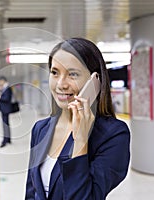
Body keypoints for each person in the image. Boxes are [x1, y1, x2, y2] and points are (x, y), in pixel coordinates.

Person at [25, 38, 130, 199]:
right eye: (54, 72)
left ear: (95, 82)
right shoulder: (40, 129)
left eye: (72, 74)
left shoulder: (113, 135)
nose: (61, 84)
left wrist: (80, 140)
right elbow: (31, 192)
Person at [0, 76, 13, 148]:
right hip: (5, 109)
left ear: (3, 81)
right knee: (6, 124)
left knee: (5, 125)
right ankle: (8, 139)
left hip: (5, 109)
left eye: (0, 81)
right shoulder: (5, 88)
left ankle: (5, 141)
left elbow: (6, 98)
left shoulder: (7, 88)